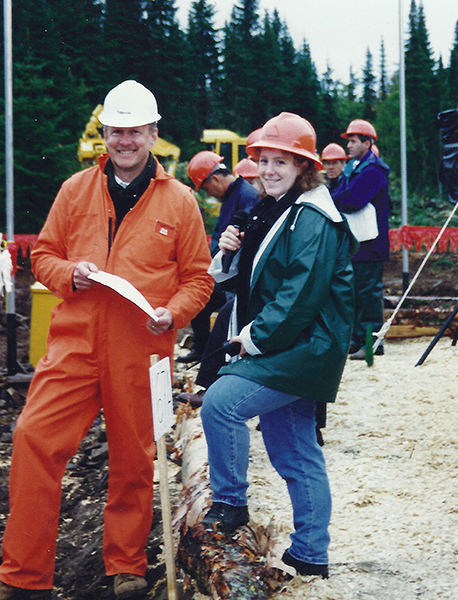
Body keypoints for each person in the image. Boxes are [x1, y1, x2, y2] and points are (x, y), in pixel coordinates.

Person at [0, 80, 214, 600]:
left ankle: (126, 566)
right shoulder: (75, 190)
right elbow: (44, 256)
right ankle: (24, 577)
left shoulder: (181, 201)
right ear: (106, 135)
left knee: (135, 459)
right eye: (116, 131)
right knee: (32, 439)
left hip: (141, 349)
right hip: (74, 346)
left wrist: (174, 313)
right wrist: (69, 273)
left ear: (152, 135)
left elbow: (200, 279)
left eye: (134, 131)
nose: (124, 141)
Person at [199, 112, 357, 578]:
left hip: (302, 348)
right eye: (263, 161)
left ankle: (229, 505)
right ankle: (311, 553)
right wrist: (229, 251)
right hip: (293, 345)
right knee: (295, 451)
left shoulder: (312, 217)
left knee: (221, 404)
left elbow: (298, 297)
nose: (267, 170)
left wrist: (250, 341)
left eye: (280, 162)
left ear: (303, 167)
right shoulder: (276, 208)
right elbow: (247, 280)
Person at [176, 151, 258, 364]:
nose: (209, 194)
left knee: (215, 308)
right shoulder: (233, 196)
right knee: (198, 300)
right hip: (225, 272)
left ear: (215, 179)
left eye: (206, 188)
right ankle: (201, 349)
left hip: (236, 276)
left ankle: (218, 355)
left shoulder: (245, 196)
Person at [331, 119, 390, 360]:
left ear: (368, 143)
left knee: (367, 295)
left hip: (371, 244)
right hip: (358, 243)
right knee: (355, 294)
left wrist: (332, 201)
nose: (349, 146)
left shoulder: (373, 171)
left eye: (354, 141)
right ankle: (357, 341)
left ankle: (373, 343)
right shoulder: (354, 169)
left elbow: (351, 200)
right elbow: (341, 194)